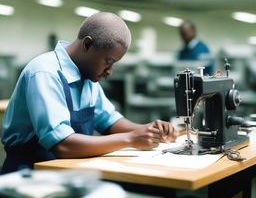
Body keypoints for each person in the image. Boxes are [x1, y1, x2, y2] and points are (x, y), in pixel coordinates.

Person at [1, 12, 178, 174]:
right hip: (29, 174)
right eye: (108, 62)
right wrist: (131, 138)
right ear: (87, 44)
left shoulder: (87, 75)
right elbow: (62, 145)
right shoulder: (45, 72)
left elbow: (109, 121)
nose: (109, 71)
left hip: (67, 171)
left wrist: (149, 130)